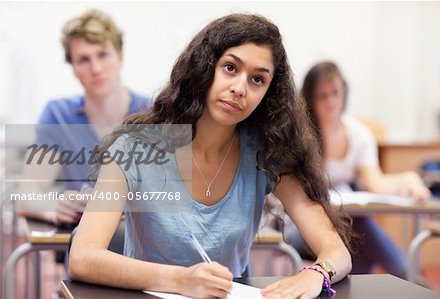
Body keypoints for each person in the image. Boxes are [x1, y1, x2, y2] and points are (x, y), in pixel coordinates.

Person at [69, 14, 352, 299]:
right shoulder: (132, 147)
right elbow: (83, 258)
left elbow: (336, 251)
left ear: (269, 93)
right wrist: (181, 280)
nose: (240, 89)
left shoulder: (267, 152)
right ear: (204, 68)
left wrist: (317, 273)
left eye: (257, 79)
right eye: (230, 67)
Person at [285, 61, 431, 279]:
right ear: (310, 99)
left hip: (347, 223)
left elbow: (376, 182)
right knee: (359, 228)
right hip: (302, 223)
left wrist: (408, 179)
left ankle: (409, 278)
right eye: (322, 96)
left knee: (357, 231)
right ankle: (413, 279)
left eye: (335, 93)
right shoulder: (299, 136)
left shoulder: (358, 133)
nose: (331, 101)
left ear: (344, 92)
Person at [18, 9, 149, 225]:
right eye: (83, 60)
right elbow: (28, 193)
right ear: (74, 69)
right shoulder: (59, 115)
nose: (96, 68)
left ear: (120, 57)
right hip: (84, 240)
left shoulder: (153, 113)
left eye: (102, 55)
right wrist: (54, 205)